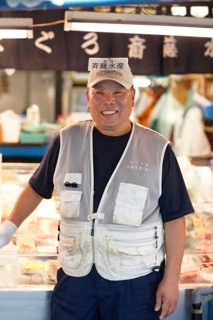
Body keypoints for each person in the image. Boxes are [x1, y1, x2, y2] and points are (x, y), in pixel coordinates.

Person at [0, 57, 194, 320]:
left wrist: (171, 279)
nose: (108, 100)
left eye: (118, 92)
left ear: (133, 96)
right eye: (99, 92)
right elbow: (36, 189)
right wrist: (7, 229)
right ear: (87, 97)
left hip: (134, 283)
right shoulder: (66, 139)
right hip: (75, 280)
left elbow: (175, 219)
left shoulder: (158, 149)